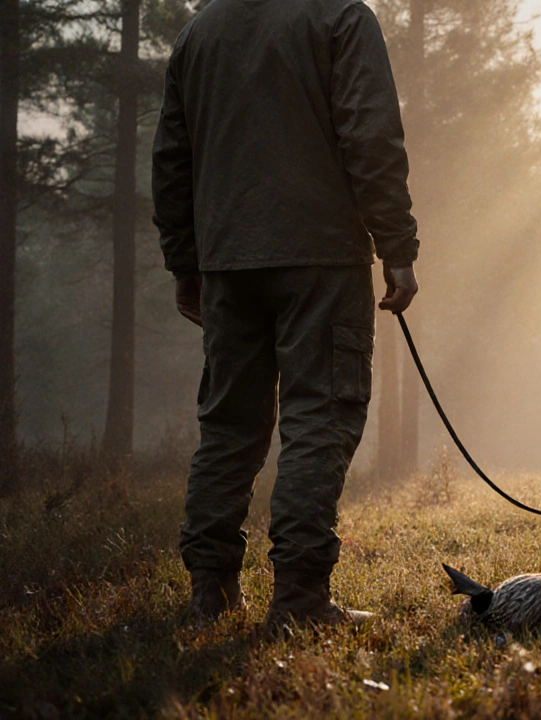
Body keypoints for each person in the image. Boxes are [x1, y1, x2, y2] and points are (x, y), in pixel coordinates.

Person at [152, 0, 419, 631]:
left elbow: (171, 156)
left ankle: (209, 596)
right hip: (321, 259)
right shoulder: (341, 16)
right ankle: (299, 601)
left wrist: (186, 262)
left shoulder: (200, 30)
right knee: (319, 419)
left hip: (227, 262)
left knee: (228, 429)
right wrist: (397, 248)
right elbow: (370, 134)